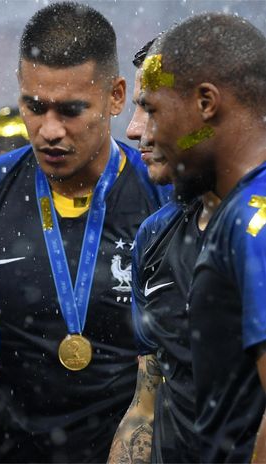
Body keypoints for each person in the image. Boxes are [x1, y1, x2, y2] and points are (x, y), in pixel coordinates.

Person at [0, 2, 168, 461]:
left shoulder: (166, 199)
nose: (49, 130)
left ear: (117, 97)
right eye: (34, 107)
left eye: (71, 110)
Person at [137, 13, 266, 462]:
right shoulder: (239, 211)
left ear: (206, 103)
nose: (145, 132)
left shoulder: (254, 220)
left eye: (153, 109)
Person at [108, 38, 213, 464]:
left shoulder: (255, 229)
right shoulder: (155, 235)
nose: (133, 129)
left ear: (207, 108)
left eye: (150, 109)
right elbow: (145, 405)